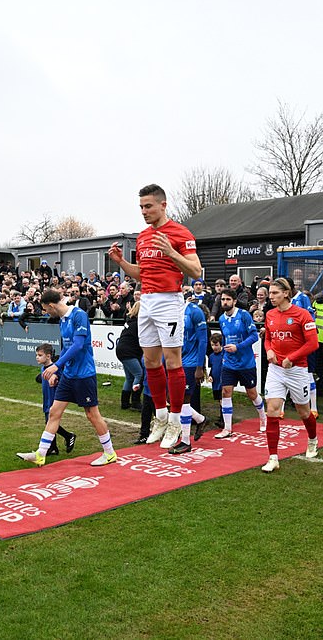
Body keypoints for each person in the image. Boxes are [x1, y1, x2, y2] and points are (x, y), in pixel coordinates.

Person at [108, 184, 202, 449]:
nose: (144, 211)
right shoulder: (143, 236)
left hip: (169, 300)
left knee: (173, 362)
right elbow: (142, 274)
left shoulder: (180, 232)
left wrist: (172, 252)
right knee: (150, 362)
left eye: (148, 206)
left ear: (163, 205)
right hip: (146, 300)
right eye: (140, 207)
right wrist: (121, 263)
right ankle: (160, 417)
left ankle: (175, 421)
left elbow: (196, 271)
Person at [16, 289, 118, 467]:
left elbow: (78, 345)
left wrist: (56, 365)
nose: (47, 313)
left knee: (92, 415)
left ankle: (109, 453)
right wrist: (58, 369)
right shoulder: (63, 320)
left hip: (84, 374)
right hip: (69, 375)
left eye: (46, 309)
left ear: (51, 305)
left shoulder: (79, 315)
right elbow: (66, 348)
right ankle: (41, 453)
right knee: (54, 412)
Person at [261, 278, 320, 472]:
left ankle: (312, 441)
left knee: (304, 412)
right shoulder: (269, 314)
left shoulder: (302, 315)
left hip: (297, 371)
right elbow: (268, 338)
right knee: (272, 409)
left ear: (286, 293)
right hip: (276, 370)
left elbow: (313, 344)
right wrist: (268, 350)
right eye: (270, 294)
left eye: (275, 293)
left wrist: (292, 358)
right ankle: (273, 457)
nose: (271, 297)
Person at [213, 288, 267, 439]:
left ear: (234, 301)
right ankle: (227, 428)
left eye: (228, 299)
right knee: (226, 392)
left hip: (246, 363)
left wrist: (238, 347)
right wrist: (224, 353)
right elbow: (224, 338)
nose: (225, 302)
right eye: (223, 299)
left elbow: (254, 337)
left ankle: (263, 417)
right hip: (229, 363)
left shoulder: (244, 315)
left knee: (252, 393)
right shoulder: (222, 319)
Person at [173, 294, 208, 452]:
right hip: (176, 360)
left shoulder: (194, 311)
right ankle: (200, 419)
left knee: (184, 399)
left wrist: (200, 367)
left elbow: (203, 340)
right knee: (172, 398)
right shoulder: (170, 310)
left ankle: (185, 441)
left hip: (191, 362)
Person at [34, 343, 77, 456]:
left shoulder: (56, 369)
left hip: (55, 400)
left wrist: (56, 378)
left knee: (50, 423)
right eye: (37, 355)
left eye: (40, 355)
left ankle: (69, 436)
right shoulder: (44, 368)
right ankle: (53, 448)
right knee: (48, 422)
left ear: (48, 356)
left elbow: (64, 380)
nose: (37, 357)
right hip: (46, 399)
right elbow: (39, 378)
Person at [115, 301, 144, 411]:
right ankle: (135, 401)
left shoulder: (130, 321)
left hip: (122, 350)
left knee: (130, 377)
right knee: (139, 374)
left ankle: (125, 402)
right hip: (129, 351)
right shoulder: (138, 324)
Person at [206, 333, 225, 431]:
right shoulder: (211, 356)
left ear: (221, 344)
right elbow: (212, 368)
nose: (214, 347)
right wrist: (210, 376)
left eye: (216, 345)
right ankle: (222, 416)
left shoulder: (225, 354)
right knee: (219, 400)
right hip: (216, 381)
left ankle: (224, 420)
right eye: (212, 345)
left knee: (223, 400)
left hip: (224, 380)